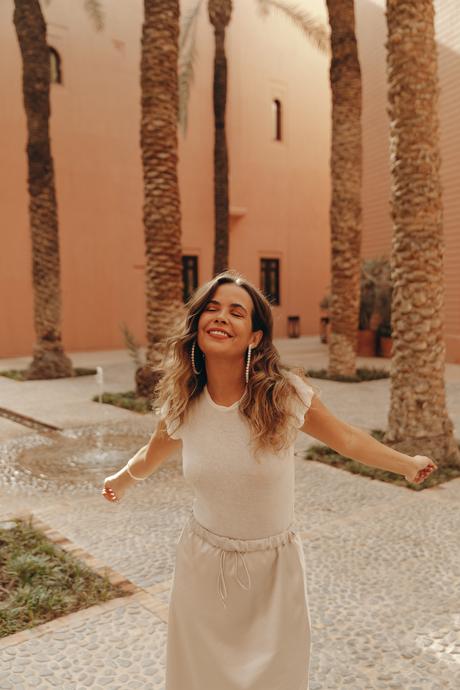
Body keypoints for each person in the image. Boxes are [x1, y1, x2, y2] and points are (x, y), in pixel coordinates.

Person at [101, 269, 437, 690]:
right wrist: (122, 479)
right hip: (203, 566)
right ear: (197, 325)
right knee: (200, 678)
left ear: (255, 337)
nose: (221, 316)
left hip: (273, 571)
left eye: (236, 312)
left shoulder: (285, 396)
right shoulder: (182, 405)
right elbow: (150, 457)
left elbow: (346, 438)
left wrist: (404, 463)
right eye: (212, 308)